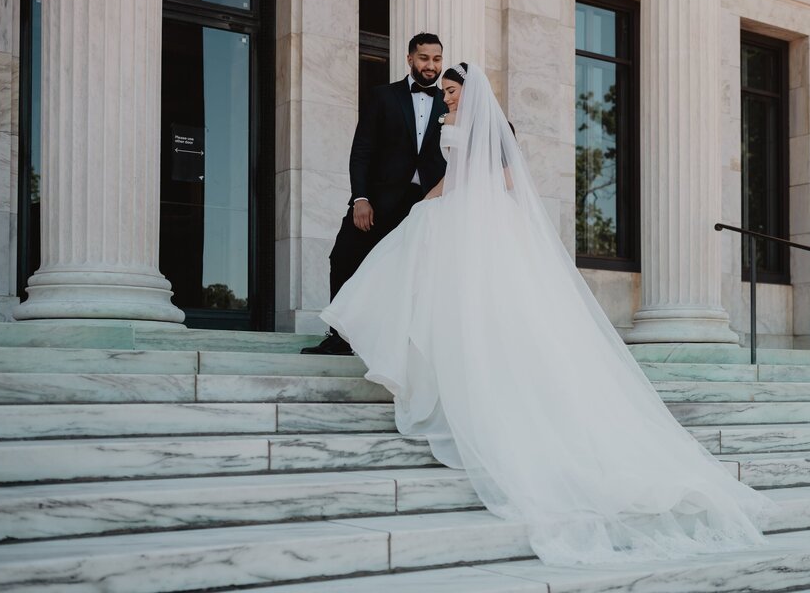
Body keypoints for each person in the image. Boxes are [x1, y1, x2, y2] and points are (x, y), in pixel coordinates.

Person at [320, 62, 772, 564]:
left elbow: (506, 179)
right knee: (432, 295)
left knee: (473, 304)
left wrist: (457, 203)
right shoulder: (447, 126)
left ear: (469, 92)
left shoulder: (492, 128)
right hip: (452, 214)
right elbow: (446, 177)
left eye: (451, 91)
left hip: (474, 220)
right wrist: (428, 202)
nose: (446, 97)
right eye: (443, 91)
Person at [302, 34, 447, 356]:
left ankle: (406, 345)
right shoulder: (382, 96)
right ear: (410, 59)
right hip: (379, 201)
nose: (431, 66)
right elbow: (362, 151)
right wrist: (360, 198)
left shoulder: (449, 103)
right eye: (424, 58)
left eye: (437, 59)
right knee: (344, 258)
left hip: (427, 204)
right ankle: (340, 338)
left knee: (417, 273)